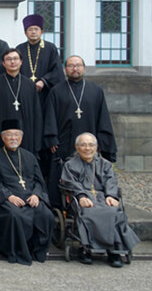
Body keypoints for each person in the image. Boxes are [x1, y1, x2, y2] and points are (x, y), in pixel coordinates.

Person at [44, 55, 117, 208]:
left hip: (89, 145)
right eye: (71, 65)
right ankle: (62, 207)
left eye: (78, 65)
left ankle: (95, 202)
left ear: (84, 68)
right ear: (65, 69)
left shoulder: (96, 90)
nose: (74, 68)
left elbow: (103, 118)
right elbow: (49, 116)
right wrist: (51, 138)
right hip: (64, 143)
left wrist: (102, 142)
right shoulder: (56, 91)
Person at [60, 133, 139, 268]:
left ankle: (114, 251)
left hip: (103, 198)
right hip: (83, 199)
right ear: (76, 147)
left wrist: (111, 196)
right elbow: (70, 183)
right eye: (83, 145)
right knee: (88, 212)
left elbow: (111, 182)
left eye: (91, 145)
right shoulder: (70, 165)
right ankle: (86, 249)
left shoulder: (105, 164)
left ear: (96, 147)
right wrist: (81, 196)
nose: (87, 148)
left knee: (114, 212)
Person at [0, 119, 54, 265]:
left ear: (21, 137)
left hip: (30, 197)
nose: (13, 138)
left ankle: (37, 250)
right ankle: (16, 251)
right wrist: (8, 196)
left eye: (16, 135)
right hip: (8, 199)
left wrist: (36, 194)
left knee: (46, 214)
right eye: (9, 135)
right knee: (15, 215)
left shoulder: (30, 156)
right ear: (3, 137)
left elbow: (39, 180)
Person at [0, 48, 43, 156]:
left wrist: (37, 139)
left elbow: (37, 113)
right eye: (8, 59)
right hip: (2, 137)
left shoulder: (30, 85)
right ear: (3, 63)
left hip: (27, 136)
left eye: (15, 59)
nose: (12, 62)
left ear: (21, 62)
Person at [16, 14, 64, 106]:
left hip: (45, 92)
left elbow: (56, 70)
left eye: (36, 29)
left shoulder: (50, 48)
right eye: (30, 29)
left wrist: (43, 81)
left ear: (41, 32)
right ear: (25, 33)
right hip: (24, 92)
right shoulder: (19, 49)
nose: (33, 32)